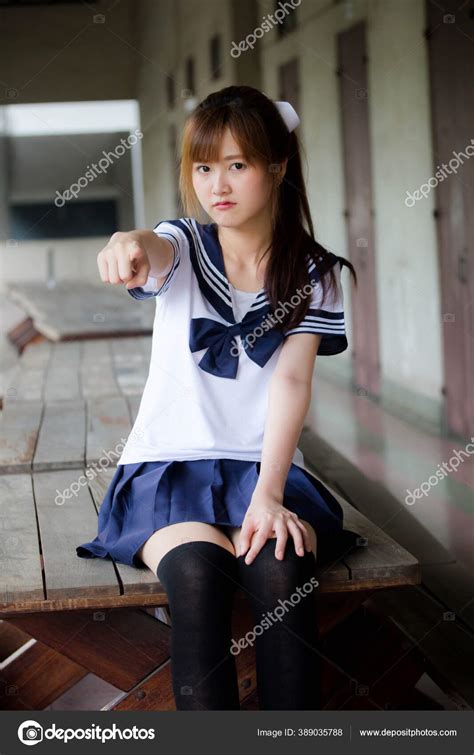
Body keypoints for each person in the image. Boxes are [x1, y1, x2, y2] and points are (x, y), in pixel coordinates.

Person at [76, 84, 361, 711]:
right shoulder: (183, 247)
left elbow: (291, 381)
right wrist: (128, 241)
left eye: (238, 165)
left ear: (278, 167)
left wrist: (269, 494)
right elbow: (152, 247)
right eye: (204, 168)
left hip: (266, 471)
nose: (218, 184)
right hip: (167, 471)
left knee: (281, 570)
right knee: (199, 579)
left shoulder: (315, 273)